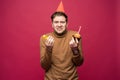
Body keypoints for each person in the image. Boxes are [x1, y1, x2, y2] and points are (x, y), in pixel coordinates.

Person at [40, 11, 84, 80]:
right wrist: (48, 49)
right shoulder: (44, 38)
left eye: (62, 22)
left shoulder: (75, 36)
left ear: (67, 24)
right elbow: (45, 66)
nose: (59, 25)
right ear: (52, 24)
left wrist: (75, 49)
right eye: (56, 22)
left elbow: (79, 63)